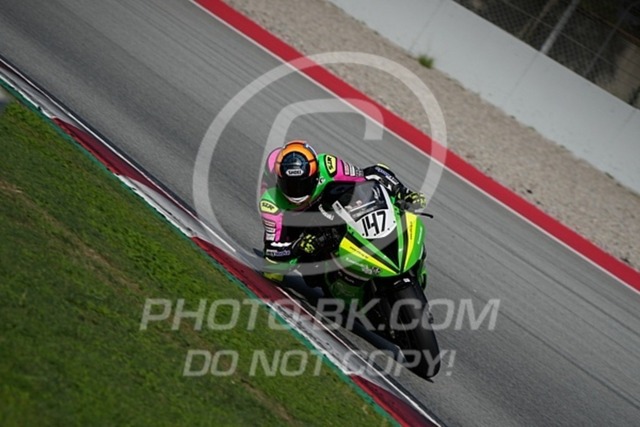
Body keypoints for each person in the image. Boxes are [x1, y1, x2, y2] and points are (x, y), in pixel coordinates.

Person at [259, 140, 426, 283]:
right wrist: (298, 247)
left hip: (332, 212)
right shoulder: (270, 202)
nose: (297, 191)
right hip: (300, 231)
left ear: (315, 174)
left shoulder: (328, 166)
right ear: (279, 180)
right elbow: (272, 251)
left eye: (301, 184)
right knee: (273, 272)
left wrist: (403, 192)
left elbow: (369, 174)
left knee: (377, 182)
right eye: (290, 185)